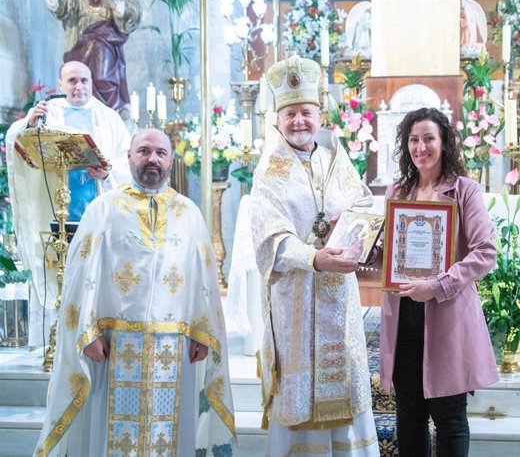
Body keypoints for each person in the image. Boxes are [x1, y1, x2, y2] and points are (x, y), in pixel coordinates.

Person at [33, 129, 236, 456]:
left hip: (174, 346)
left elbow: (205, 281)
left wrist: (203, 333)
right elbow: (81, 275)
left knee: (169, 435)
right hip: (115, 345)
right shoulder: (104, 208)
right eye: (144, 151)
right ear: (129, 157)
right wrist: (88, 331)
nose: (152, 158)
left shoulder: (189, 214)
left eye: (160, 152)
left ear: (170, 160)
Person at [251, 55, 380, 456]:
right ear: (277, 119)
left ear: (319, 114)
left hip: (338, 293)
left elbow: (364, 202)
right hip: (298, 299)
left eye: (305, 112)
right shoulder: (268, 171)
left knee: (343, 388)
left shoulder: (335, 158)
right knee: (300, 393)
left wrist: (354, 220)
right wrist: (314, 258)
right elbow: (270, 238)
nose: (299, 122)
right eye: (290, 114)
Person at [373, 108, 499, 456]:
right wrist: (371, 251)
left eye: (429, 138)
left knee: (449, 417)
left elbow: (485, 252)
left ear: (444, 142)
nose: (421, 147)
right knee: (408, 415)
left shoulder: (464, 190)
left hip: (446, 315)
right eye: (414, 139)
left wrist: (438, 285)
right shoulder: (398, 190)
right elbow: (391, 251)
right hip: (403, 317)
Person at [6, 60, 130, 344]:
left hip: (99, 213)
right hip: (55, 212)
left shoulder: (108, 117)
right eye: (72, 81)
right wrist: (30, 123)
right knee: (60, 274)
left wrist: (109, 171)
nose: (79, 86)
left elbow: (127, 160)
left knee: (98, 278)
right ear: (60, 84)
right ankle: (58, 341)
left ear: (91, 83)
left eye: (84, 80)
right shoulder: (48, 113)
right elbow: (17, 139)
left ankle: (98, 338)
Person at [45, 0, 142, 116]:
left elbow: (133, 13)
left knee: (103, 79)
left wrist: (114, 5)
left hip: (106, 39)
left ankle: (108, 115)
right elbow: (63, 7)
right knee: (77, 79)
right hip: (80, 41)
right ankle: (80, 112)